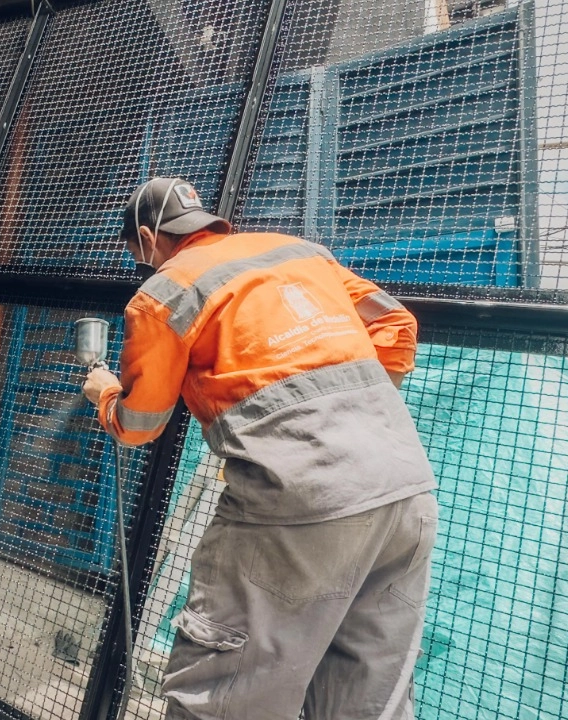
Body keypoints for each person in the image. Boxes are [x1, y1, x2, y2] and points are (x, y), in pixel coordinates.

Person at [82, 177, 438, 720]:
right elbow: (396, 323)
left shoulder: (163, 293)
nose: (143, 266)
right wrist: (347, 408)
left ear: (150, 237)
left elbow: (140, 424)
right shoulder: (300, 252)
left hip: (299, 498)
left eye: (139, 254)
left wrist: (104, 392)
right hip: (404, 486)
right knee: (366, 697)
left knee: (227, 694)